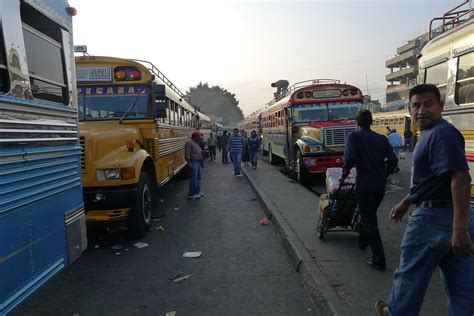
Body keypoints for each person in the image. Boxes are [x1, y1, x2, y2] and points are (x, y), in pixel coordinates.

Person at [375, 84, 474, 316]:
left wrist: (459, 228)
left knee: (409, 280)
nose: (421, 110)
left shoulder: (441, 134)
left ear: (440, 106)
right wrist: (407, 201)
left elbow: (460, 178)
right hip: (448, 219)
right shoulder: (432, 133)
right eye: (416, 106)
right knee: (463, 289)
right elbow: (432, 180)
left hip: (432, 220)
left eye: (428, 104)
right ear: (409, 110)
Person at [342, 109, 398, 272]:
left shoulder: (354, 137)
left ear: (357, 123)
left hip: (365, 186)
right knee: (369, 216)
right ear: (371, 122)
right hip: (379, 187)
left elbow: (350, 158)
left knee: (370, 221)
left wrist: (344, 175)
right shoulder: (381, 138)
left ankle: (378, 259)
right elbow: (393, 160)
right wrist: (385, 173)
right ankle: (363, 240)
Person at [185, 131, 204, 200]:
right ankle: (192, 194)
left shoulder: (196, 143)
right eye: (198, 137)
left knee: (198, 177)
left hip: (197, 162)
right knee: (193, 178)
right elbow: (187, 153)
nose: (199, 139)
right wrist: (189, 162)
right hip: (193, 161)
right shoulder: (189, 142)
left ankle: (197, 192)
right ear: (195, 137)